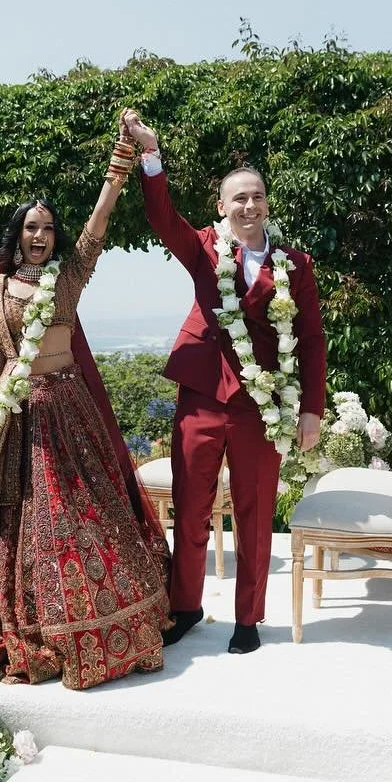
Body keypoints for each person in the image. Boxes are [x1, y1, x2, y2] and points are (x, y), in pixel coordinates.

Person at [0, 118, 171, 690]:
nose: (40, 236)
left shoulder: (67, 281)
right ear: (16, 234)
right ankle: (21, 622)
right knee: (11, 528)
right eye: (31, 227)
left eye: (49, 228)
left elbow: (97, 230)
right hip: (16, 418)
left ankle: (95, 626)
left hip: (67, 413)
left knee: (84, 520)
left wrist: (119, 166)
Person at [125, 110, 326, 654]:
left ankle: (248, 620)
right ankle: (185, 606)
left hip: (263, 407)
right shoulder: (205, 249)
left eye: (256, 196)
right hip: (203, 396)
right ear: (222, 207)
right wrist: (151, 154)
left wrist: (311, 408)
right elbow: (163, 218)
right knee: (191, 506)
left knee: (257, 512)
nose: (249, 205)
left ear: (267, 203)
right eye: (238, 198)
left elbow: (310, 339)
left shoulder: (295, 265)